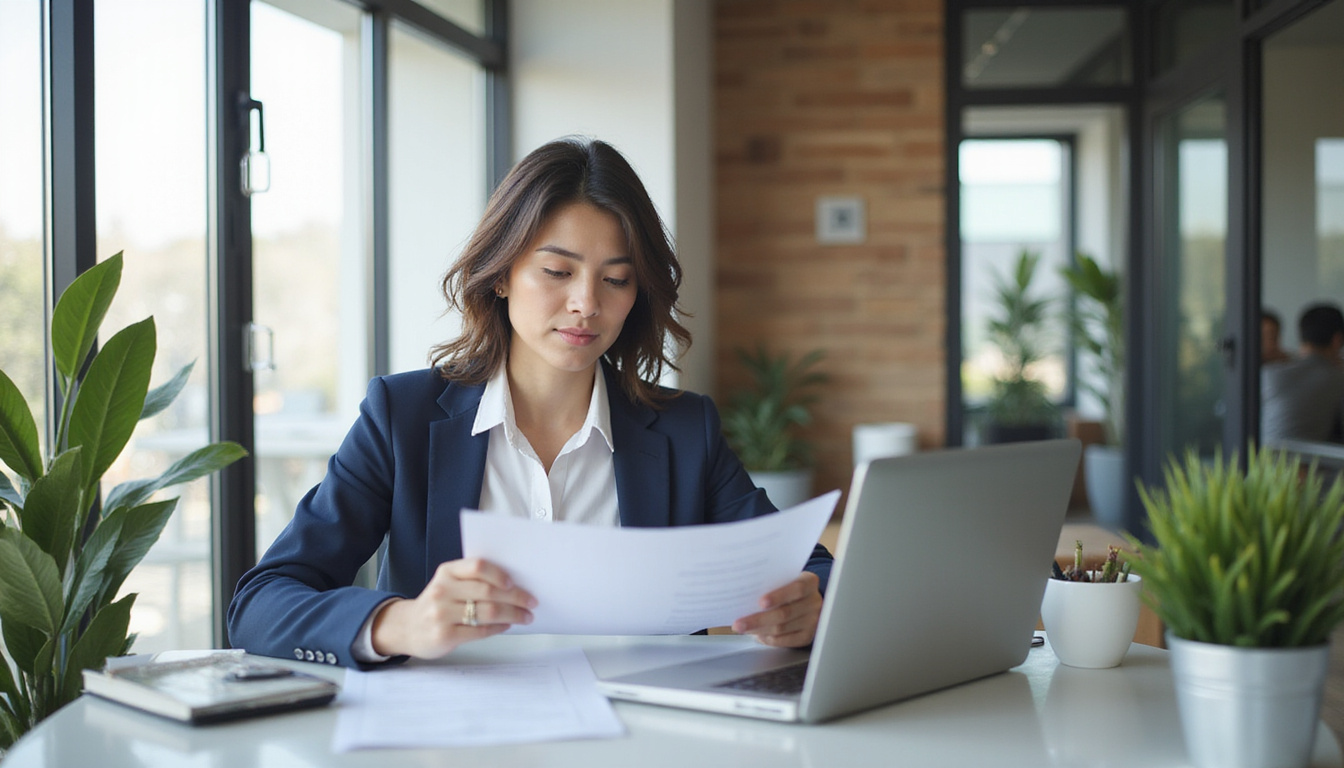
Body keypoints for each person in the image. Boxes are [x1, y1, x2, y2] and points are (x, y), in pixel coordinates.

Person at [227, 138, 833, 669]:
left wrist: (810, 607)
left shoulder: (684, 430)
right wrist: (402, 623)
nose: (586, 304)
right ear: (501, 273)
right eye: (557, 271)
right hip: (453, 735)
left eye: (616, 279)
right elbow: (262, 603)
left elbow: (811, 570)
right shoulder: (402, 416)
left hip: (641, 737)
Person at [1261, 302, 1344, 445]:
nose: (1270, 345)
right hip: (1310, 458)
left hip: (1259, 457)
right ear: (1337, 340)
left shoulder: (1267, 375)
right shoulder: (1337, 379)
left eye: (1273, 337)